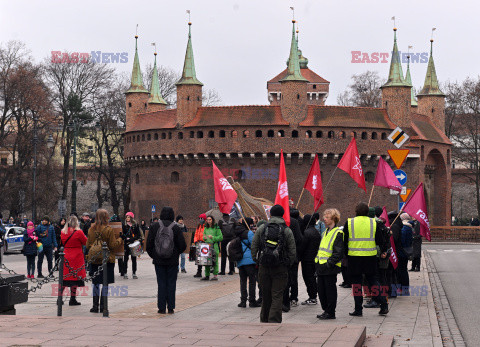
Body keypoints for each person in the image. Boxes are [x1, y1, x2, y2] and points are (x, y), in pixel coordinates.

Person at [251, 204, 296, 323]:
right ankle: (274, 320)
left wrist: (258, 260)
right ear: (282, 215)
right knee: (277, 295)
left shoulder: (262, 228)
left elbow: (254, 245)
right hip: (280, 267)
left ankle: (264, 319)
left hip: (264, 266)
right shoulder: (286, 230)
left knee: (266, 295)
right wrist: (287, 264)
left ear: (270, 214)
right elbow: (292, 251)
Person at [344, 202, 389, 316]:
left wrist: (346, 255)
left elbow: (344, 241)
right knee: (374, 281)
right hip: (370, 257)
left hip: (354, 258)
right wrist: (382, 251)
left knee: (357, 284)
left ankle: (358, 309)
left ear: (356, 211)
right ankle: (384, 305)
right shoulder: (373, 223)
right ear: (368, 212)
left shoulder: (349, 222)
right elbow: (380, 240)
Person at [146, 207, 186, 314]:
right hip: (172, 261)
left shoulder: (154, 226)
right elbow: (183, 245)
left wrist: (154, 255)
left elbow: (148, 245)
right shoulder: (176, 228)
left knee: (161, 283)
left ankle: (161, 307)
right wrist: (175, 253)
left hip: (159, 261)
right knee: (172, 283)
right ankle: (171, 307)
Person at [86, 209, 122, 313]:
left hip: (94, 259)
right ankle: (103, 306)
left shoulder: (91, 229)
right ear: (105, 217)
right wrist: (120, 239)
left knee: (96, 283)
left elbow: (88, 245)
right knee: (105, 283)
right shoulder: (108, 229)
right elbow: (112, 245)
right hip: (107, 259)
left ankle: (94, 306)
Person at [315, 208, 344, 320]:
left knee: (330, 291)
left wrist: (328, 264)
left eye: (327, 217)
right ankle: (326, 310)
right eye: (324, 217)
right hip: (321, 266)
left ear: (334, 219)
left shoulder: (338, 233)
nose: (324, 219)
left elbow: (338, 253)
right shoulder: (325, 232)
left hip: (329, 267)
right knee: (321, 291)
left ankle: (330, 312)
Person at [60, 215, 88, 306]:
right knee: (75, 279)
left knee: (64, 279)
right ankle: (72, 299)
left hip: (66, 255)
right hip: (76, 256)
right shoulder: (79, 232)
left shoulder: (63, 232)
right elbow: (85, 242)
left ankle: (59, 298)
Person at [235, 217, 260, 308]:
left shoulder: (236, 232)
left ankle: (243, 301)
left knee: (243, 281)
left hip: (240, 260)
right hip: (249, 260)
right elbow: (254, 244)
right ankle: (252, 301)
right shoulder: (249, 233)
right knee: (252, 281)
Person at [283, 209, 303, 311]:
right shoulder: (294, 222)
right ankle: (294, 298)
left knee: (282, 278)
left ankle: (283, 300)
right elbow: (299, 239)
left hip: (279, 257)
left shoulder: (273, 222)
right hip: (292, 256)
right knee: (293, 278)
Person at [300, 214, 321, 305]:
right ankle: (313, 296)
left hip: (307, 259)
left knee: (308, 278)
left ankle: (312, 297)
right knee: (312, 278)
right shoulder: (316, 232)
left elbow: (302, 246)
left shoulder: (307, 232)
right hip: (314, 258)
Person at [201, 215, 223, 281]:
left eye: (210, 219)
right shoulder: (206, 228)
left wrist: (213, 237)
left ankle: (215, 275)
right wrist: (204, 238)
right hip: (207, 246)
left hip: (214, 246)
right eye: (207, 220)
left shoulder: (217, 228)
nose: (208, 221)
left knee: (215, 261)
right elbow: (203, 236)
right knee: (206, 261)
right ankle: (207, 275)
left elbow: (221, 237)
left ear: (212, 220)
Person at [398, 213, 414, 295]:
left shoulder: (405, 227)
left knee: (402, 271)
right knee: (403, 270)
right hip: (405, 251)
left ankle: (404, 289)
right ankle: (404, 289)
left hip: (402, 252)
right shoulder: (408, 226)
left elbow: (402, 240)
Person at [121, 212, 141, 279]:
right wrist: (124, 237)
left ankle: (134, 273)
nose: (127, 218)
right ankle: (125, 273)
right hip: (126, 244)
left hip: (133, 244)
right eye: (126, 217)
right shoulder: (124, 225)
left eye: (129, 217)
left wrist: (132, 239)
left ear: (131, 218)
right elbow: (122, 234)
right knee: (126, 259)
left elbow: (138, 235)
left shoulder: (135, 225)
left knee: (134, 259)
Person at [193, 213, 206, 278]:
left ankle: (207, 272)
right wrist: (195, 241)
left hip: (204, 244)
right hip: (199, 243)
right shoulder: (198, 226)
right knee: (199, 259)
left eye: (202, 218)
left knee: (205, 259)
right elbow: (196, 234)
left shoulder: (206, 226)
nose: (200, 220)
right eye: (200, 218)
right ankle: (199, 272)